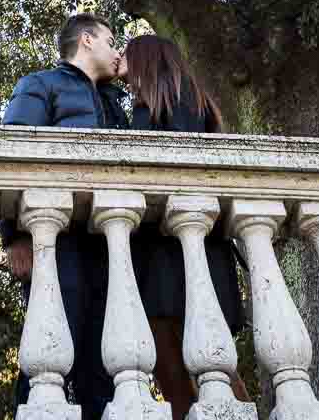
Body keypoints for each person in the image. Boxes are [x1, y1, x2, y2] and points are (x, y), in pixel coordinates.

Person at [0, 13, 127, 420]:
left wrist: (128, 81)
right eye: (111, 40)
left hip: (111, 245)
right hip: (54, 243)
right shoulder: (40, 84)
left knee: (107, 364)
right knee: (49, 352)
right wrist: (14, 236)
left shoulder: (113, 102)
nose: (117, 50)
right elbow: (13, 159)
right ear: (87, 40)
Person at [118, 35, 250, 420]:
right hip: (188, 256)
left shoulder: (172, 99)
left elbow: (150, 167)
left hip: (176, 257)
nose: (119, 58)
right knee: (195, 374)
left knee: (199, 376)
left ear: (145, 57)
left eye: (125, 51)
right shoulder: (187, 98)